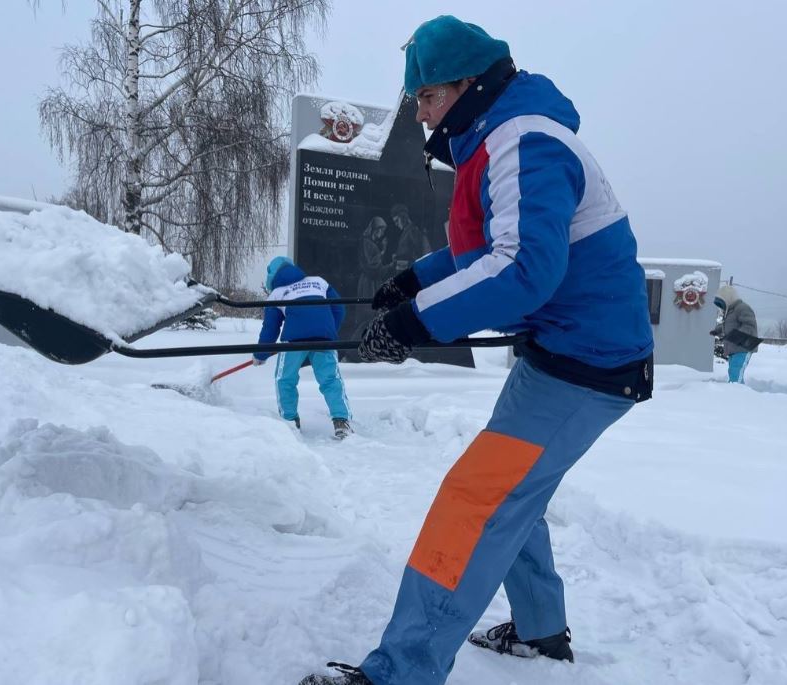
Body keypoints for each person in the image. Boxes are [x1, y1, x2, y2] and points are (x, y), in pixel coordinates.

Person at [299, 15, 654, 685]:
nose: (422, 114)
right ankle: (540, 631)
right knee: (511, 491)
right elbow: (486, 246)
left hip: (588, 364)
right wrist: (415, 281)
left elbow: (521, 268)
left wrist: (413, 324)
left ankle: (401, 673)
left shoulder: (525, 141)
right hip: (566, 354)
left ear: (471, 85)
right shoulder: (501, 136)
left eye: (429, 97)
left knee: (476, 500)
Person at [256, 256, 352, 439]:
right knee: (331, 379)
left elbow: (270, 328)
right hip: (325, 338)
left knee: (285, 379)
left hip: (294, 340)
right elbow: (339, 308)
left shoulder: (276, 293)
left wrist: (260, 354)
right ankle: (342, 421)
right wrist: (328, 330)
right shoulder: (319, 282)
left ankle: (290, 421)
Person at [710, 284, 759, 384]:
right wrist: (717, 330)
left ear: (729, 298)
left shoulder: (742, 308)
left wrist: (734, 335)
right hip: (734, 347)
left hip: (744, 346)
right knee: (733, 372)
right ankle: (734, 390)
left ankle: (737, 391)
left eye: (722, 303)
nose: (721, 307)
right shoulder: (730, 312)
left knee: (736, 372)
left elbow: (749, 326)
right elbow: (727, 326)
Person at [389, 204, 431, 272]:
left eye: (397, 220)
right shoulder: (405, 232)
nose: (396, 224)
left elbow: (420, 255)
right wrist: (397, 257)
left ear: (404, 217)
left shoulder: (413, 230)